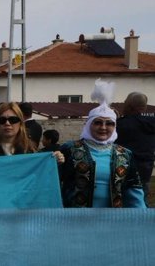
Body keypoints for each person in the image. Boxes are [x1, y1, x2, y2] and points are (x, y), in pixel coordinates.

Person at [59, 80, 145, 208]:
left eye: (109, 123)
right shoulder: (69, 149)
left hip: (112, 220)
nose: (103, 127)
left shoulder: (125, 154)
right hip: (75, 219)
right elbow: (51, 179)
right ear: (89, 125)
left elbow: (133, 188)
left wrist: (141, 216)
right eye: (98, 122)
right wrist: (54, 161)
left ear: (115, 126)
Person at [116, 92, 155, 204]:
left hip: (123, 168)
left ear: (128, 105)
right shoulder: (151, 124)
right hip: (145, 169)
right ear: (144, 107)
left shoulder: (120, 125)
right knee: (141, 198)